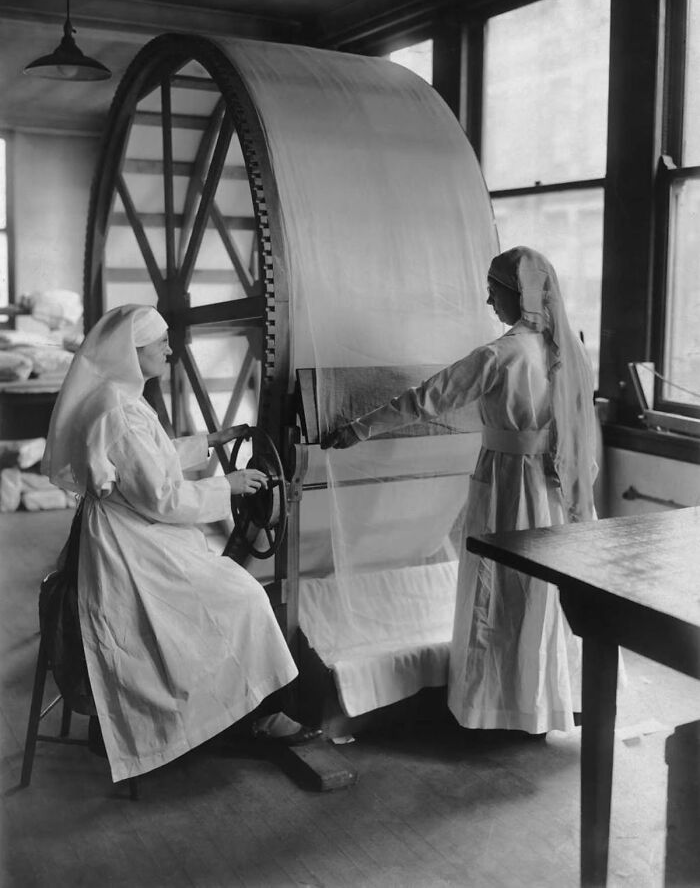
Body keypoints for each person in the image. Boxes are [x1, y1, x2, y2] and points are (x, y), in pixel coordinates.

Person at [322, 247, 597, 735]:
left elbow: (427, 398)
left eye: (494, 290)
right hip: (554, 488)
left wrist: (360, 428)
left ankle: (500, 706)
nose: (488, 299)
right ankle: (544, 703)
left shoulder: (501, 355)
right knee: (541, 594)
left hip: (510, 489)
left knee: (501, 592)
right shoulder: (566, 351)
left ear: (519, 295)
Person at [42, 304, 319, 783]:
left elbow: (150, 458)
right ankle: (250, 717)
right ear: (133, 352)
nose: (171, 351)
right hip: (131, 548)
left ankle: (235, 711)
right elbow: (163, 498)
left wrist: (209, 440)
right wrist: (228, 486)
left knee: (226, 594)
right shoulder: (122, 411)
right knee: (245, 596)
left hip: (128, 533)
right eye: (161, 344)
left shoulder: (116, 397)